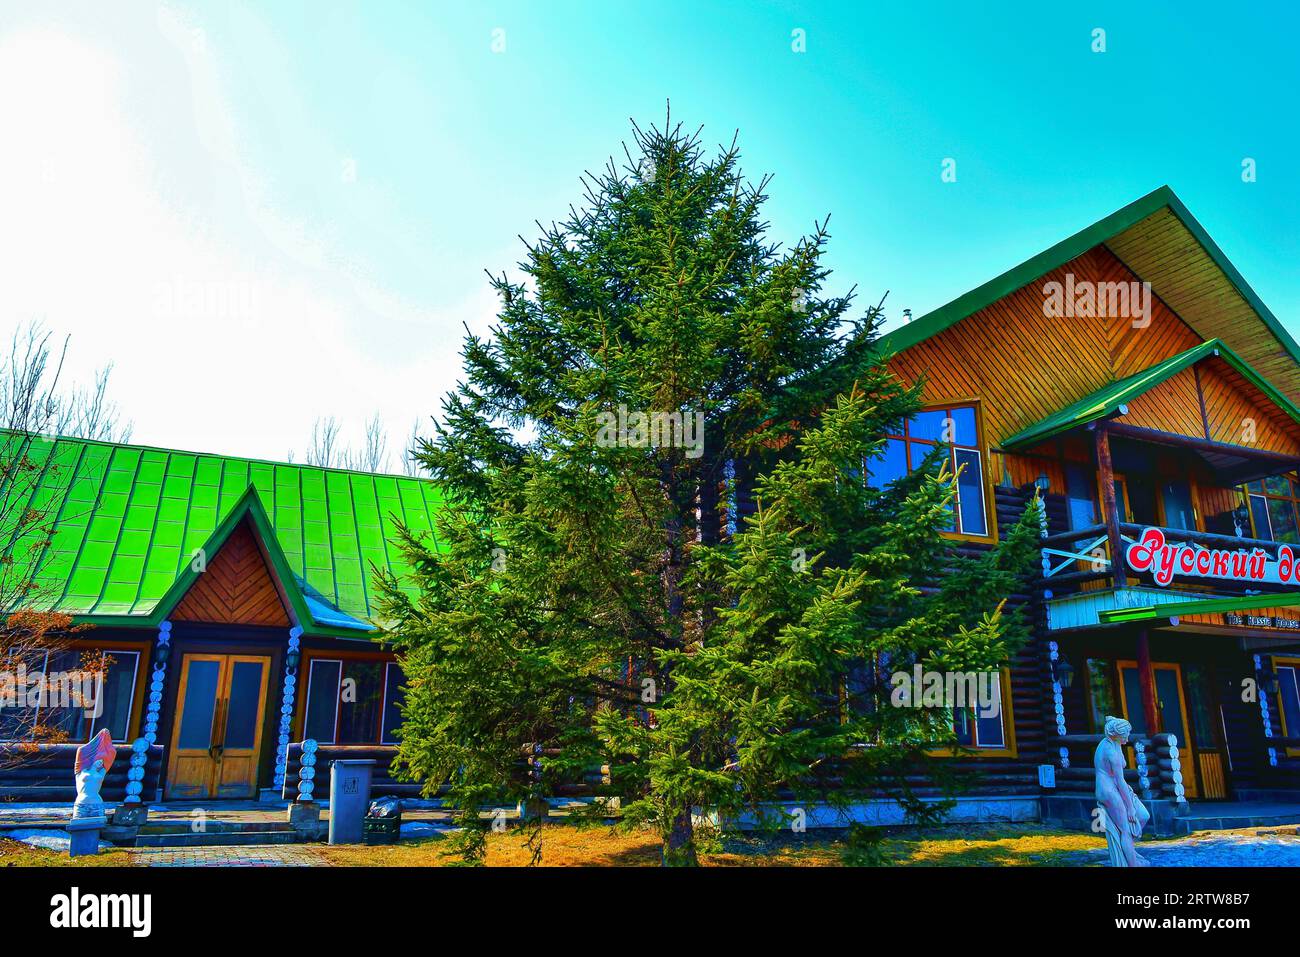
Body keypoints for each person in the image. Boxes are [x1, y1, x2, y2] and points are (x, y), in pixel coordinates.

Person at [1094, 715, 1150, 866]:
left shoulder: (1113, 742)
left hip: (1115, 787)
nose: (1128, 737)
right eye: (1125, 735)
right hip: (1109, 791)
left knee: (1143, 816)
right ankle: (1132, 864)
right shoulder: (1111, 752)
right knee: (1125, 829)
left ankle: (1129, 851)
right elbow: (1120, 781)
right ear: (1116, 735)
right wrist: (1130, 808)